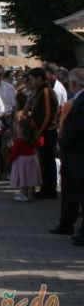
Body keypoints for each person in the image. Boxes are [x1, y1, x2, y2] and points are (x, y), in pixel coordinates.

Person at [59, 69, 84, 245]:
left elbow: (76, 128)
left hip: (78, 153)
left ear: (74, 85)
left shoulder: (81, 102)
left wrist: (63, 143)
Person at [26, 67, 59, 199]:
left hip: (47, 132)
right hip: (42, 131)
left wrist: (39, 132)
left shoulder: (45, 91)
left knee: (48, 162)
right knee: (44, 162)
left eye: (32, 79)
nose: (30, 82)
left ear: (39, 78)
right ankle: (46, 187)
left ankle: (49, 190)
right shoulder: (40, 91)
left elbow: (48, 114)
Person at [0, 64, 17, 181]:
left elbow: (15, 106)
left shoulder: (9, 87)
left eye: (0, 74)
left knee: (6, 147)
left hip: (7, 119)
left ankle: (7, 170)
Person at [7, 119, 43, 202]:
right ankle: (31, 192)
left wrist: (9, 160)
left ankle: (24, 194)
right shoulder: (32, 138)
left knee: (23, 178)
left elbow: (15, 152)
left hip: (22, 162)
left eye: (18, 127)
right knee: (30, 176)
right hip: (32, 159)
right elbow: (40, 143)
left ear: (22, 129)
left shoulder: (19, 140)